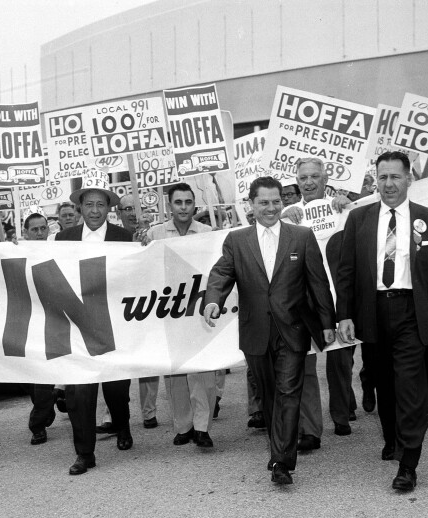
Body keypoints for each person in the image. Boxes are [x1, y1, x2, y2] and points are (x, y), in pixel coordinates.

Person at [204, 176, 336, 485]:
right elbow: (221, 273)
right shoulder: (237, 240)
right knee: (269, 395)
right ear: (251, 205)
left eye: (276, 201)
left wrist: (327, 322)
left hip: (292, 329)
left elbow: (318, 283)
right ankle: (280, 450)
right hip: (256, 331)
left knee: (289, 391)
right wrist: (213, 301)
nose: (271, 208)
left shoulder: (301, 237)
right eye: (264, 202)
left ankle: (281, 461)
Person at [336, 151, 428, 491]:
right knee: (383, 383)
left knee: (411, 387)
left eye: (395, 177)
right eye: (382, 177)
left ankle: (408, 464)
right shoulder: (358, 219)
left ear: (409, 179)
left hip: (408, 312)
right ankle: (392, 437)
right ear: (376, 180)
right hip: (371, 312)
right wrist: (344, 314)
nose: (388, 184)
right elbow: (346, 271)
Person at [56, 180, 135, 474]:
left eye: (100, 204)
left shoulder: (124, 237)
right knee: (79, 391)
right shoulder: (63, 239)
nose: (94, 210)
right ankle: (84, 453)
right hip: (77, 324)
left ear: (109, 209)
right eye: (89, 204)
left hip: (113, 322)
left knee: (116, 387)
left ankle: (123, 427)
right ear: (80, 207)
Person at [281, 157, 356, 448]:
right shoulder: (289, 214)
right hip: (305, 300)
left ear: (325, 179)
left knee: (341, 361)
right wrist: (286, 216)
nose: (309, 182)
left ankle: (342, 414)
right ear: (296, 182)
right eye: (303, 178)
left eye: (314, 176)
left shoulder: (341, 208)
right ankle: (311, 430)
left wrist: (346, 203)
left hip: (338, 296)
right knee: (306, 363)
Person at [143, 183, 215, 446]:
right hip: (169, 312)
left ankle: (202, 427)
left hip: (198, 310)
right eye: (178, 202)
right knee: (176, 372)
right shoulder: (155, 234)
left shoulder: (207, 233)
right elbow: (144, 270)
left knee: (202, 370)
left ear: (194, 205)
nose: (183, 207)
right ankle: (183, 426)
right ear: (169, 205)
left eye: (188, 202)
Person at [117, 193, 160, 428]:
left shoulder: (153, 233)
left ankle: (149, 412)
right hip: (120, 305)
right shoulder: (112, 238)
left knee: (148, 360)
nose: (134, 213)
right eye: (128, 209)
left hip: (146, 304)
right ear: (119, 214)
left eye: (138, 207)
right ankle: (112, 413)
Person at [19, 212, 58, 445]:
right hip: (26, 325)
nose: (40, 233)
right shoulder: (16, 253)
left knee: (43, 378)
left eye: (43, 228)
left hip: (53, 324)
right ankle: (46, 406)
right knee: (29, 379)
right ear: (25, 233)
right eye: (34, 230)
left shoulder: (59, 251)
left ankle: (37, 425)